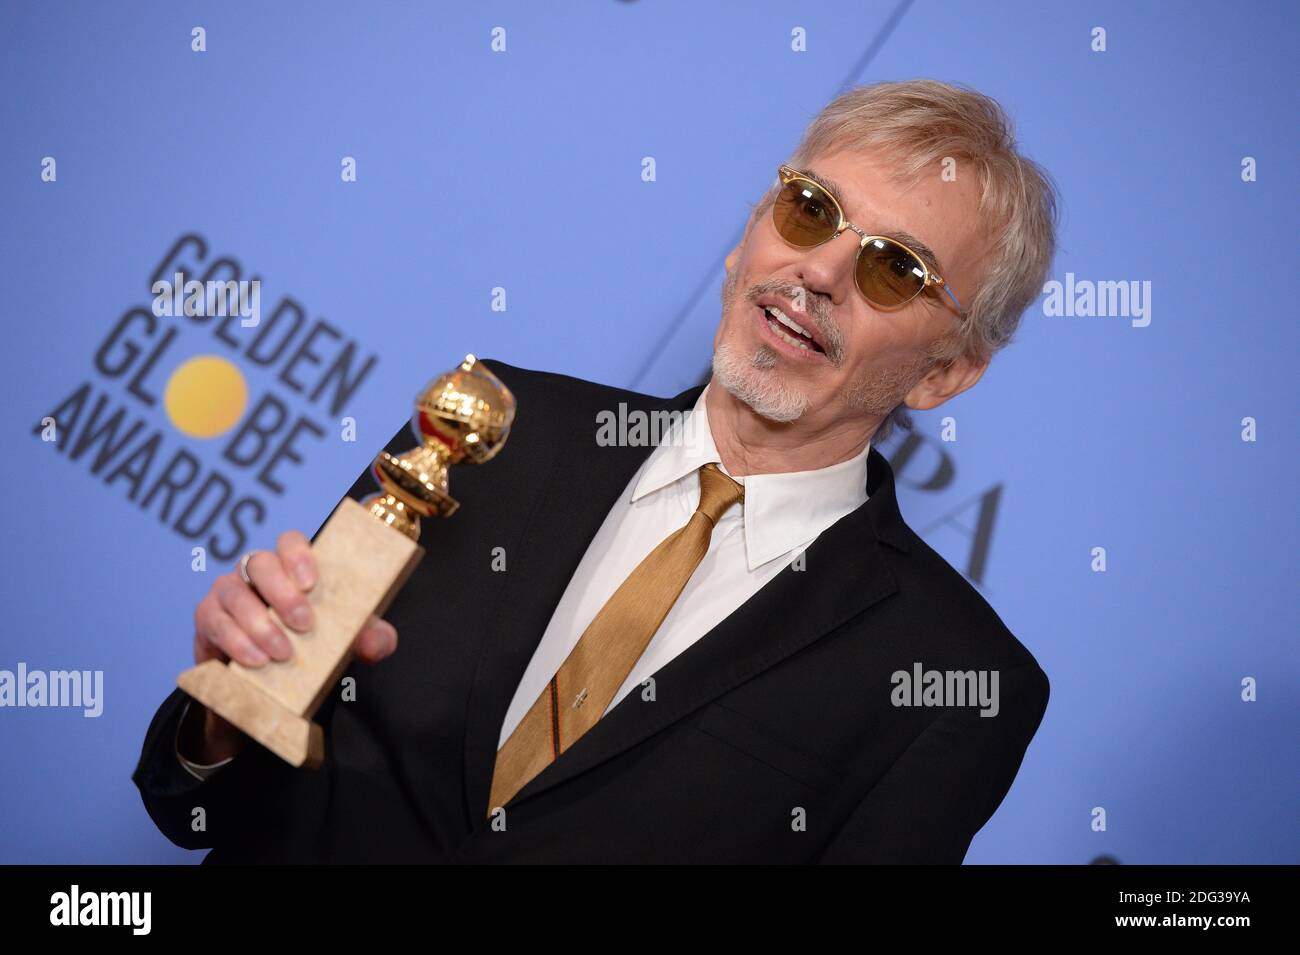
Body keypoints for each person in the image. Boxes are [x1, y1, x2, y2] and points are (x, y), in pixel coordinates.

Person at [133, 78, 1058, 863]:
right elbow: (195, 805)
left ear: (947, 372)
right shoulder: (492, 426)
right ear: (748, 235)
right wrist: (225, 712)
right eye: (810, 209)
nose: (818, 271)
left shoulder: (955, 679)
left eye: (895, 268)